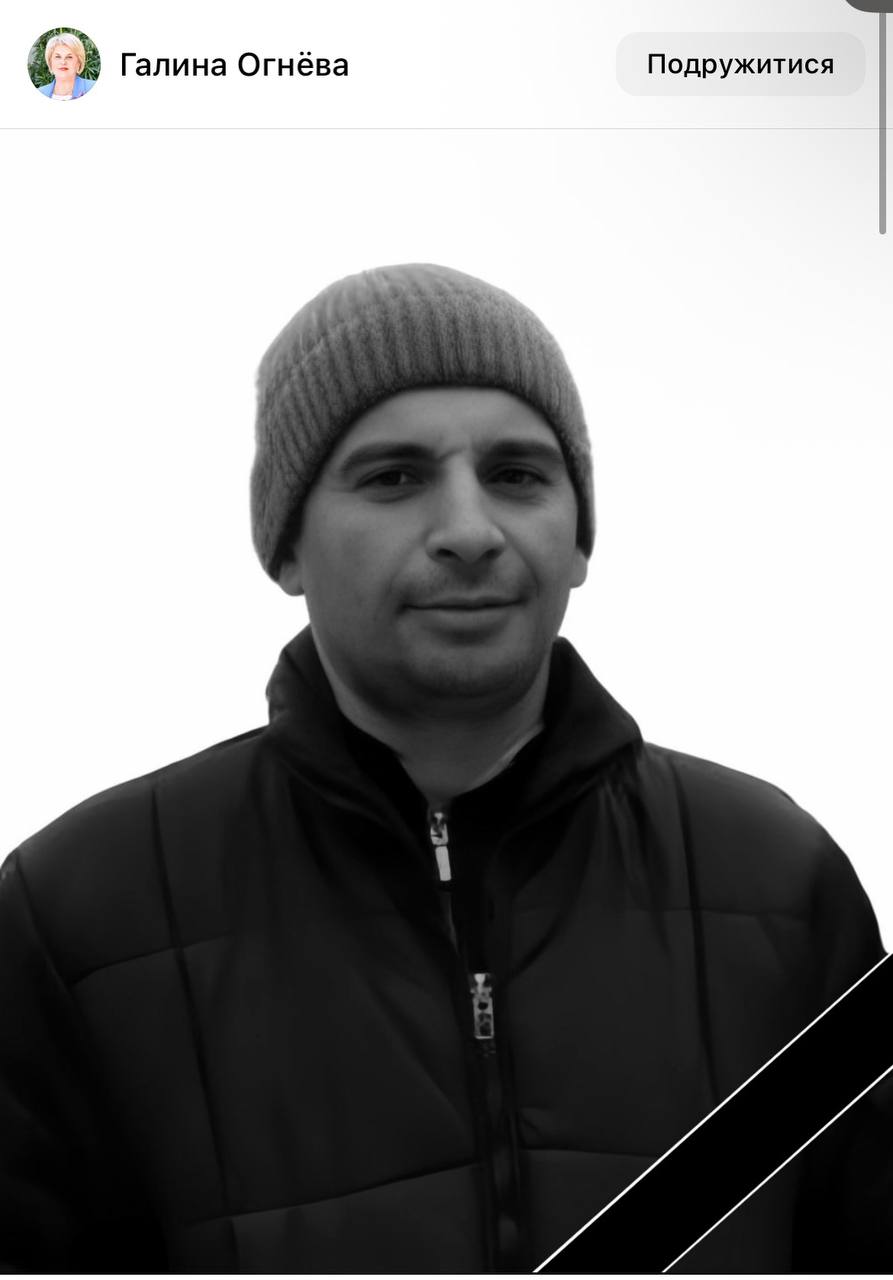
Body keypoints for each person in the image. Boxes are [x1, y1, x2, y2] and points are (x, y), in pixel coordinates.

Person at [0, 263, 890, 1273]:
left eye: (516, 474)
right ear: (286, 546)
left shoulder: (776, 880)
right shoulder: (82, 912)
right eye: (393, 477)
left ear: (579, 539)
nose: (469, 531)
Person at [37, 33, 96, 101]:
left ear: (79, 63)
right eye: (58, 57)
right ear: (50, 62)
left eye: (69, 57)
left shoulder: (92, 87)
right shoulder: (40, 92)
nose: (63, 62)